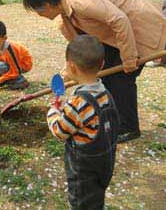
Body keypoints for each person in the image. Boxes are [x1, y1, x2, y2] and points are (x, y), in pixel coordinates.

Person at [23, 0, 166, 143]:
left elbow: (120, 20)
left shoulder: (81, 1)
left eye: (38, 10)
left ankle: (129, 127)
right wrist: (66, 75)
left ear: (47, 4)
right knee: (103, 79)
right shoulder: (64, 21)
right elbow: (80, 49)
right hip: (113, 39)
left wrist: (129, 57)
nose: (39, 15)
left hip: (135, 28)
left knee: (121, 81)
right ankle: (110, 119)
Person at [47, 35, 119, 210]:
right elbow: (87, 118)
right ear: (102, 65)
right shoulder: (105, 93)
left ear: (71, 66)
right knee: (95, 201)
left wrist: (53, 112)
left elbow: (60, 130)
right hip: (104, 165)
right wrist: (68, 106)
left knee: (82, 204)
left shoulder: (78, 103)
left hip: (84, 171)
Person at [0, 20, 33, 90]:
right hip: (10, 65)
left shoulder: (11, 50)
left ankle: (20, 80)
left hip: (22, 66)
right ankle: (6, 79)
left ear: (5, 38)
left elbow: (16, 70)